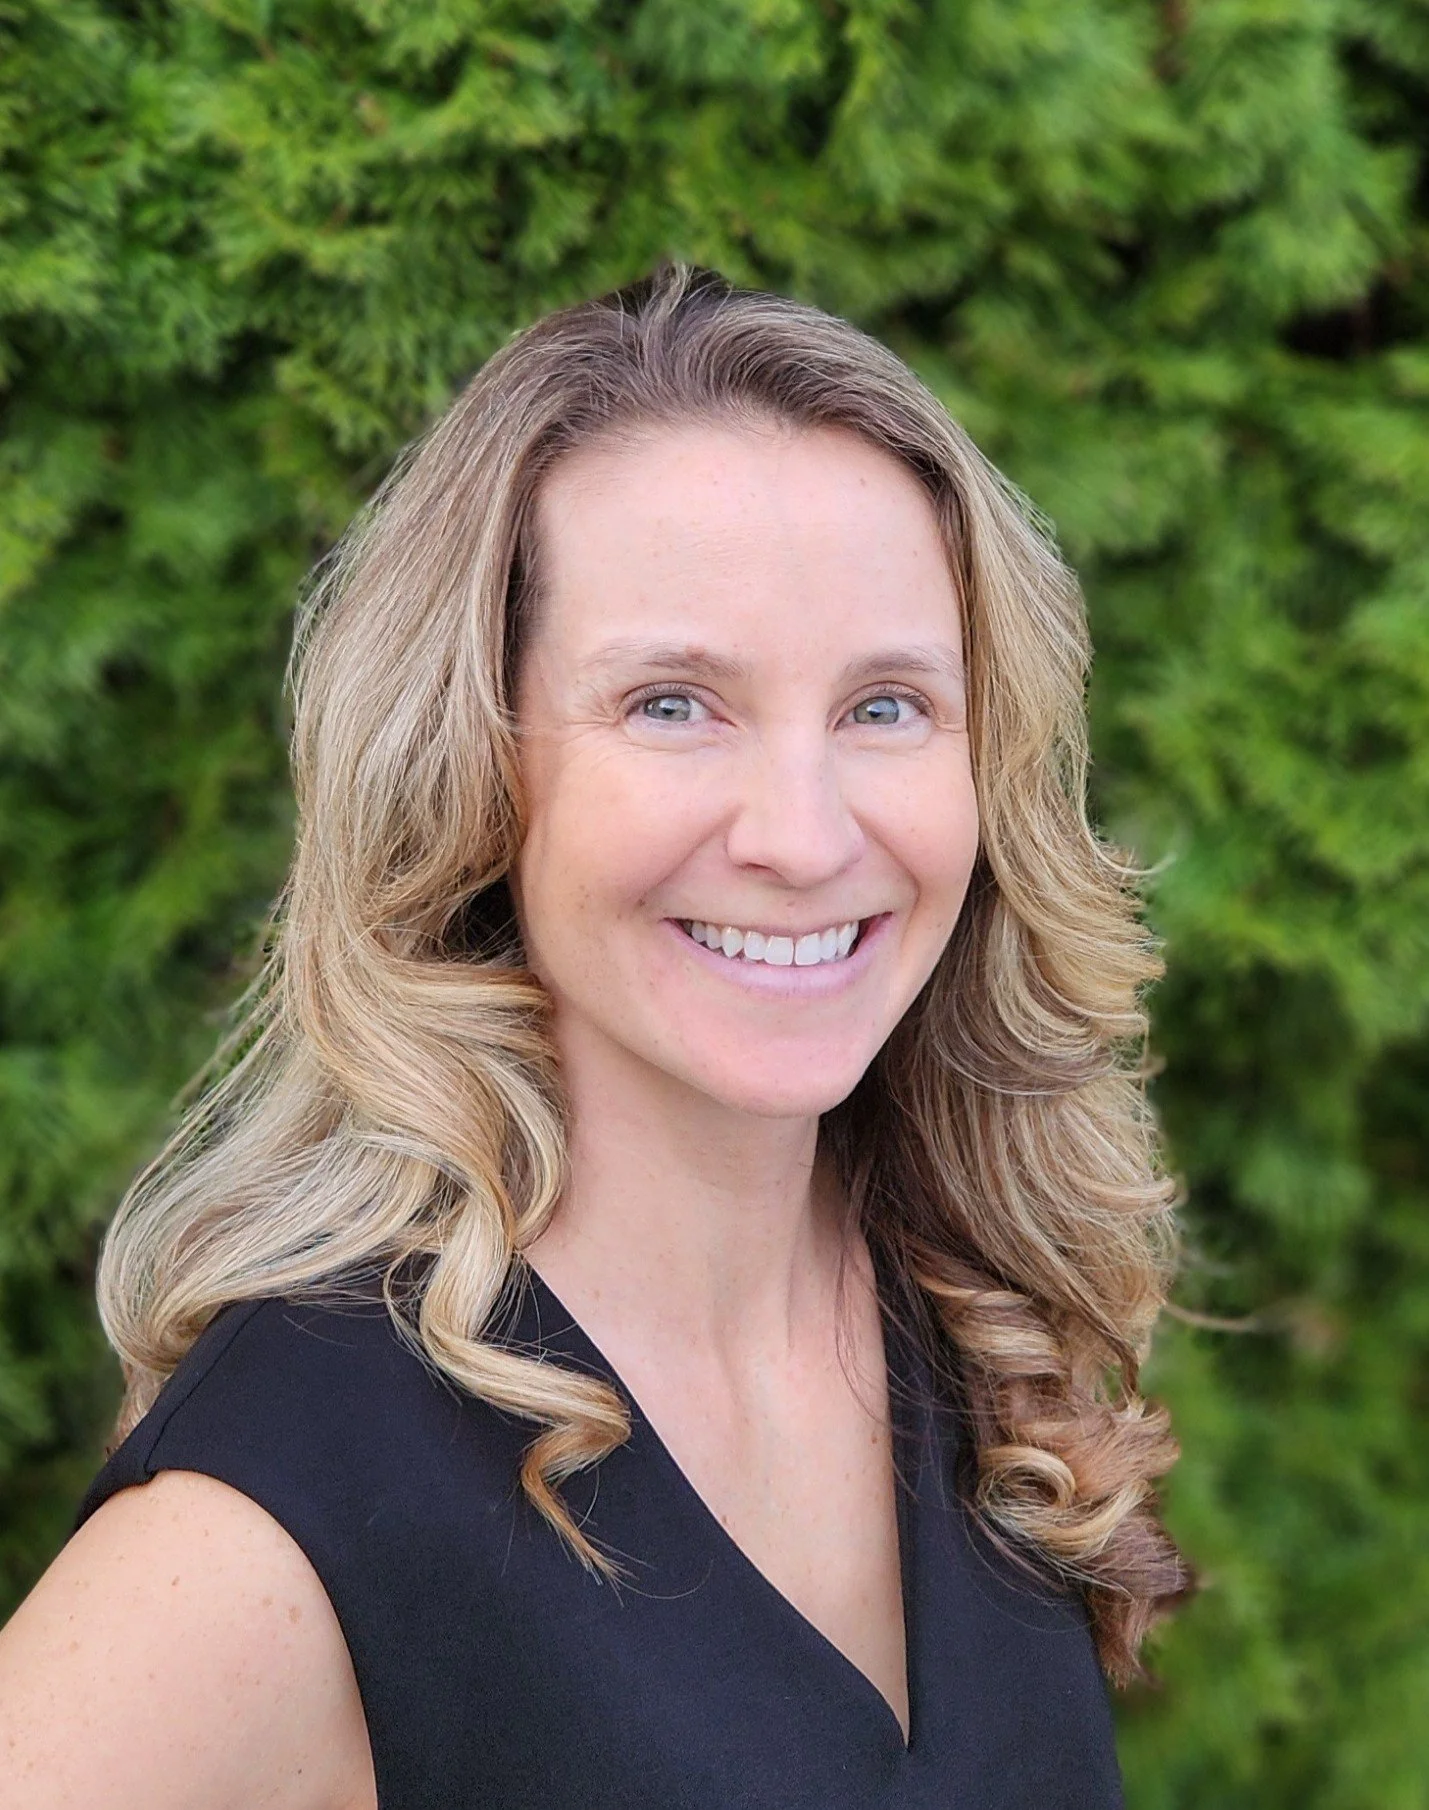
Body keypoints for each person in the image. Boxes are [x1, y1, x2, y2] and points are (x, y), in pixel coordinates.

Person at [0, 264, 1191, 1809]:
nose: (801, 830)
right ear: (477, 772)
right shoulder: (290, 1503)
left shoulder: (970, 1324)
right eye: (672, 704)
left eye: (887, 705)